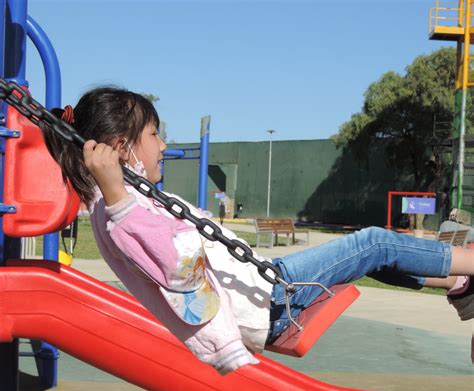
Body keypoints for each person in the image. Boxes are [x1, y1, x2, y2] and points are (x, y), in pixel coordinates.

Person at [42, 87, 474, 375]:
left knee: (369, 257)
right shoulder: (121, 211)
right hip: (273, 298)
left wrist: (120, 191)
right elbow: (179, 272)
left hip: (268, 287)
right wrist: (117, 192)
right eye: (155, 133)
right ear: (121, 147)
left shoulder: (125, 206)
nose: (162, 145)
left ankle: (457, 282)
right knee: (374, 242)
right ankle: (469, 263)